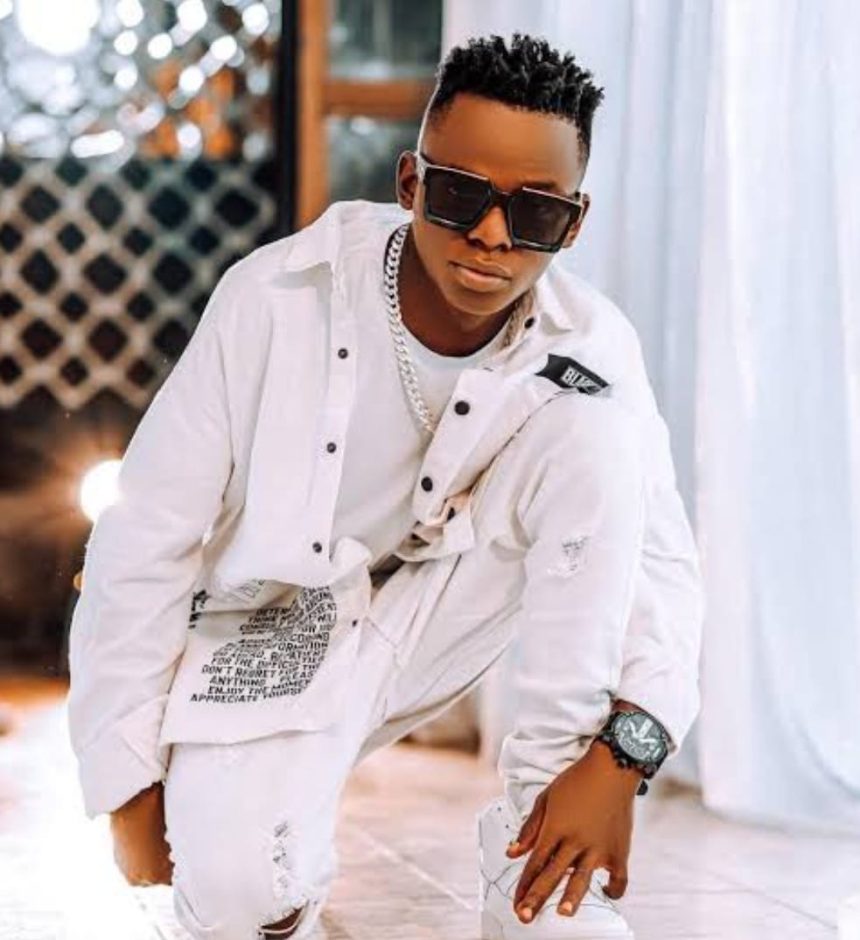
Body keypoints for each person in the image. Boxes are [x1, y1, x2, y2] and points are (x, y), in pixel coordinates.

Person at [67, 33, 703, 940]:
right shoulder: (274, 297)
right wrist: (126, 781)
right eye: (460, 195)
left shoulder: (592, 344)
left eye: (534, 213)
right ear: (410, 182)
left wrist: (620, 755)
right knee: (240, 900)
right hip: (271, 632)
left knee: (594, 428)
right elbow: (145, 537)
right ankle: (264, 868)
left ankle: (533, 858)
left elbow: (659, 565)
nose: (492, 236)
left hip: (448, 608)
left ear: (573, 222)